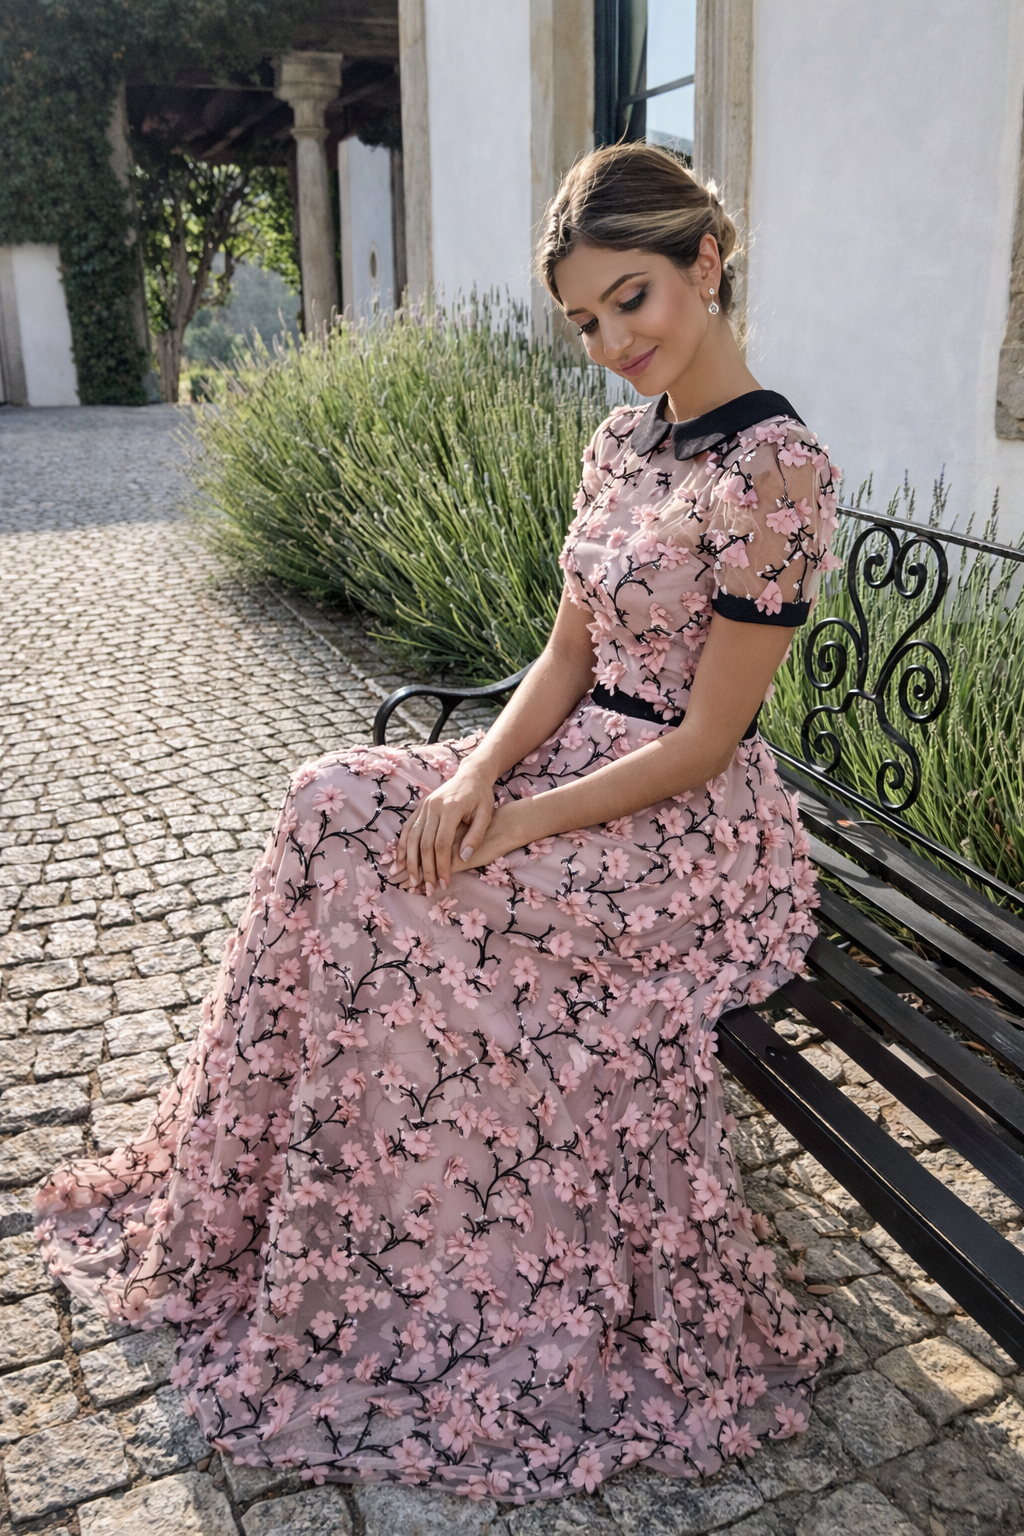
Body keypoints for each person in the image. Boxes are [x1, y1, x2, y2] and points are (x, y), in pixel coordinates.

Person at [36, 142, 844, 1504]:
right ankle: (268, 1216)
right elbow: (565, 658)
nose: (611, 344)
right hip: (581, 760)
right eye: (585, 321)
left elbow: (707, 741)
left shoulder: (777, 469)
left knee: (419, 907)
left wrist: (518, 833)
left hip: (686, 826)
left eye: (631, 300)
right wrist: (474, 777)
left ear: (706, 267)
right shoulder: (622, 444)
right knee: (332, 808)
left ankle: (434, 1256)